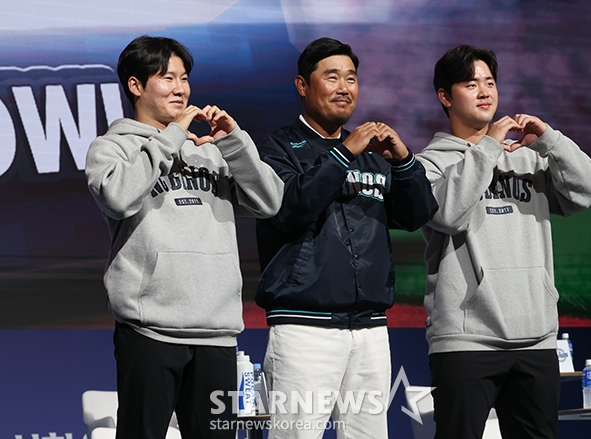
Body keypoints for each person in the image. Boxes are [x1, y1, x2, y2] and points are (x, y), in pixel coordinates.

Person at [84, 35, 284, 439]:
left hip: (216, 330)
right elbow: (118, 197)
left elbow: (270, 202)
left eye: (184, 78)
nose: (180, 89)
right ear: (136, 85)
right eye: (167, 78)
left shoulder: (208, 151)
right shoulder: (111, 148)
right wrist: (172, 136)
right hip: (149, 329)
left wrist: (233, 140)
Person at [254, 37, 438, 439]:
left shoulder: (373, 155)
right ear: (303, 85)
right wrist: (344, 153)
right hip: (304, 328)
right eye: (332, 77)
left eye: (351, 78)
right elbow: (291, 210)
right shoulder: (276, 149)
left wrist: (404, 162)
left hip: (370, 329)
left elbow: (418, 215)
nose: (344, 88)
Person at [416, 44, 591, 439]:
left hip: (536, 338)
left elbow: (587, 192)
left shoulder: (528, 158)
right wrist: (487, 148)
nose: (485, 92)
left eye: (490, 82)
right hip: (466, 341)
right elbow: (446, 214)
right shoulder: (429, 164)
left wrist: (550, 140)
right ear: (445, 96)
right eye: (471, 84)